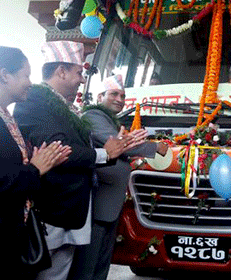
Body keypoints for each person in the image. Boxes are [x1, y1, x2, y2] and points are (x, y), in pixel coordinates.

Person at [13, 41, 136, 280]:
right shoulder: (35, 101)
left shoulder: (65, 106)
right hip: (53, 209)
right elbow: (60, 148)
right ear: (61, 71)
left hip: (71, 210)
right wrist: (105, 154)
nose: (82, 80)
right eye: (79, 72)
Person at [68, 74, 169, 280]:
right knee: (88, 265)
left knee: (101, 263)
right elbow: (117, 144)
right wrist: (155, 146)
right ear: (99, 96)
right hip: (98, 203)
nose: (120, 99)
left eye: (123, 96)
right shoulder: (93, 116)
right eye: (114, 94)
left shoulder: (109, 119)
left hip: (109, 204)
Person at [0, 46, 71, 278]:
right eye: (26, 75)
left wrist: (40, 161)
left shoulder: (7, 118)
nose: (31, 82)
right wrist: (35, 169)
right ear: (4, 75)